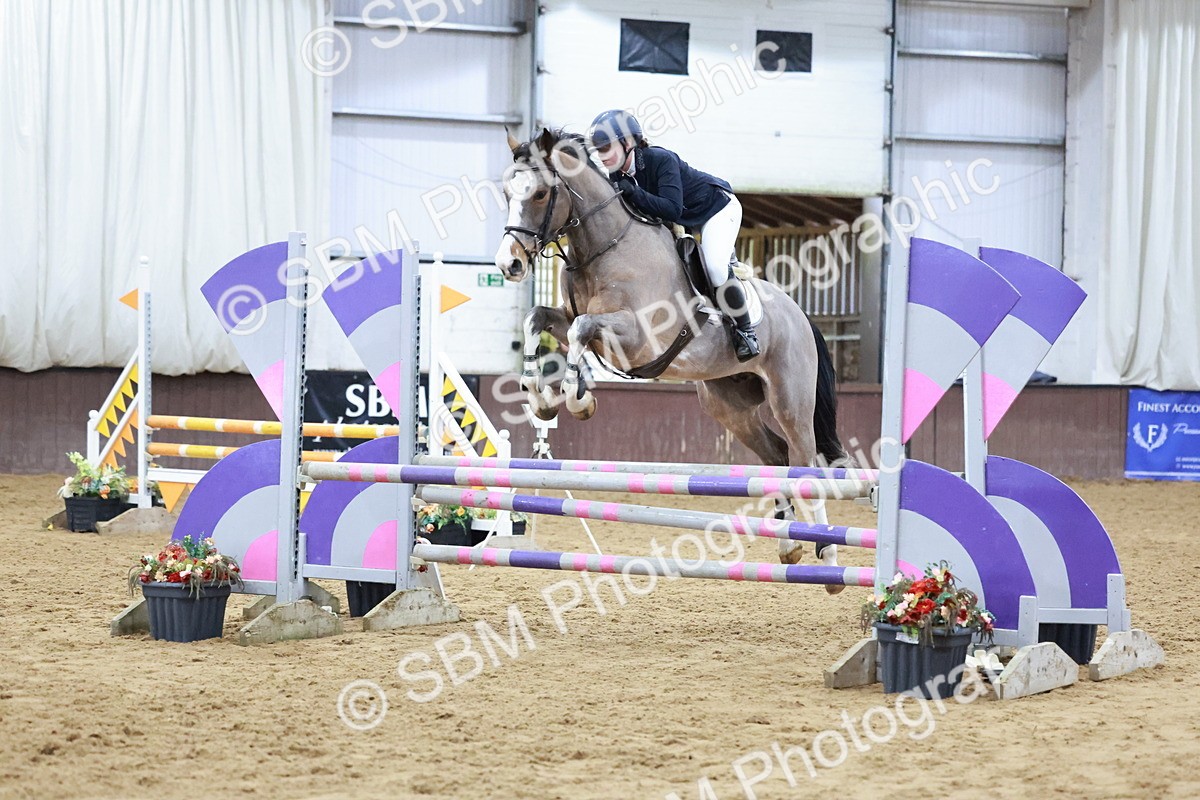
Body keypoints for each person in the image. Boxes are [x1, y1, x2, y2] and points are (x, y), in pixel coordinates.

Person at [585, 109, 759, 362]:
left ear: (628, 143)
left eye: (607, 148)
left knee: (716, 269)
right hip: (685, 221)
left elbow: (671, 208)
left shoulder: (660, 159)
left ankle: (746, 332)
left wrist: (632, 193)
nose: (602, 156)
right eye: (599, 150)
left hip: (716, 209)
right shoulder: (617, 175)